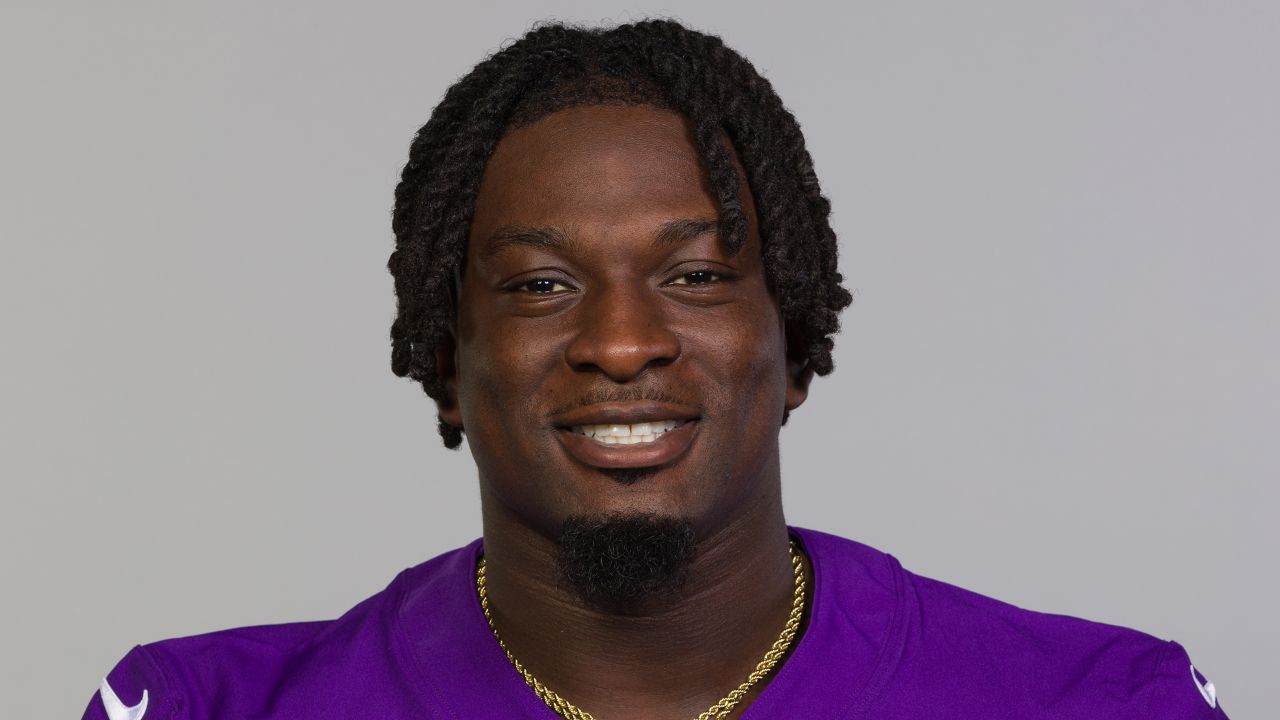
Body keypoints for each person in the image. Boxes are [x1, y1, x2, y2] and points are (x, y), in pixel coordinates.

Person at [83, 20, 1228, 720]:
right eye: (539, 285)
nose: (622, 343)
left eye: (695, 276)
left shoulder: (1099, 704)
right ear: (443, 359)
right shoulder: (209, 710)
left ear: (794, 345)